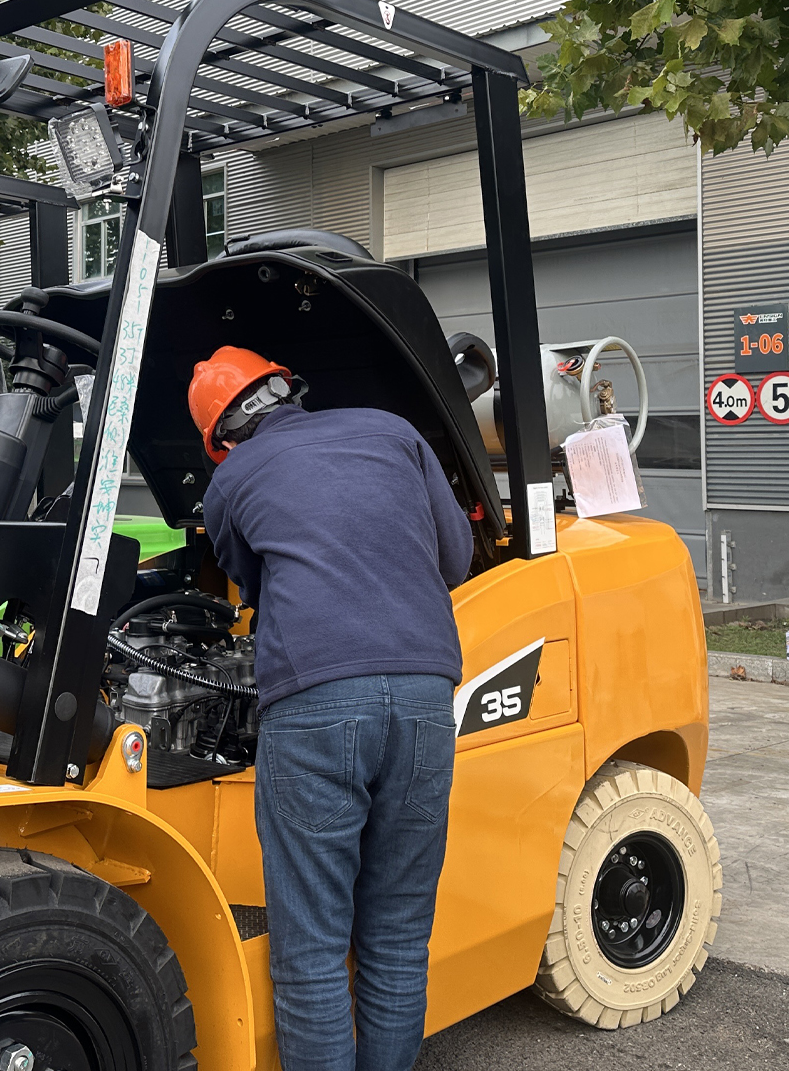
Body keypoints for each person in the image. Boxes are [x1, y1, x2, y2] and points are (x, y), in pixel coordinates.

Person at [189, 345, 473, 1071]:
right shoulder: (391, 431)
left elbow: (244, 580)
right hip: (424, 693)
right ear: (288, 387)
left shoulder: (232, 479)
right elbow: (454, 556)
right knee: (399, 932)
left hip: (315, 701)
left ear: (219, 438)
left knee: (313, 946)